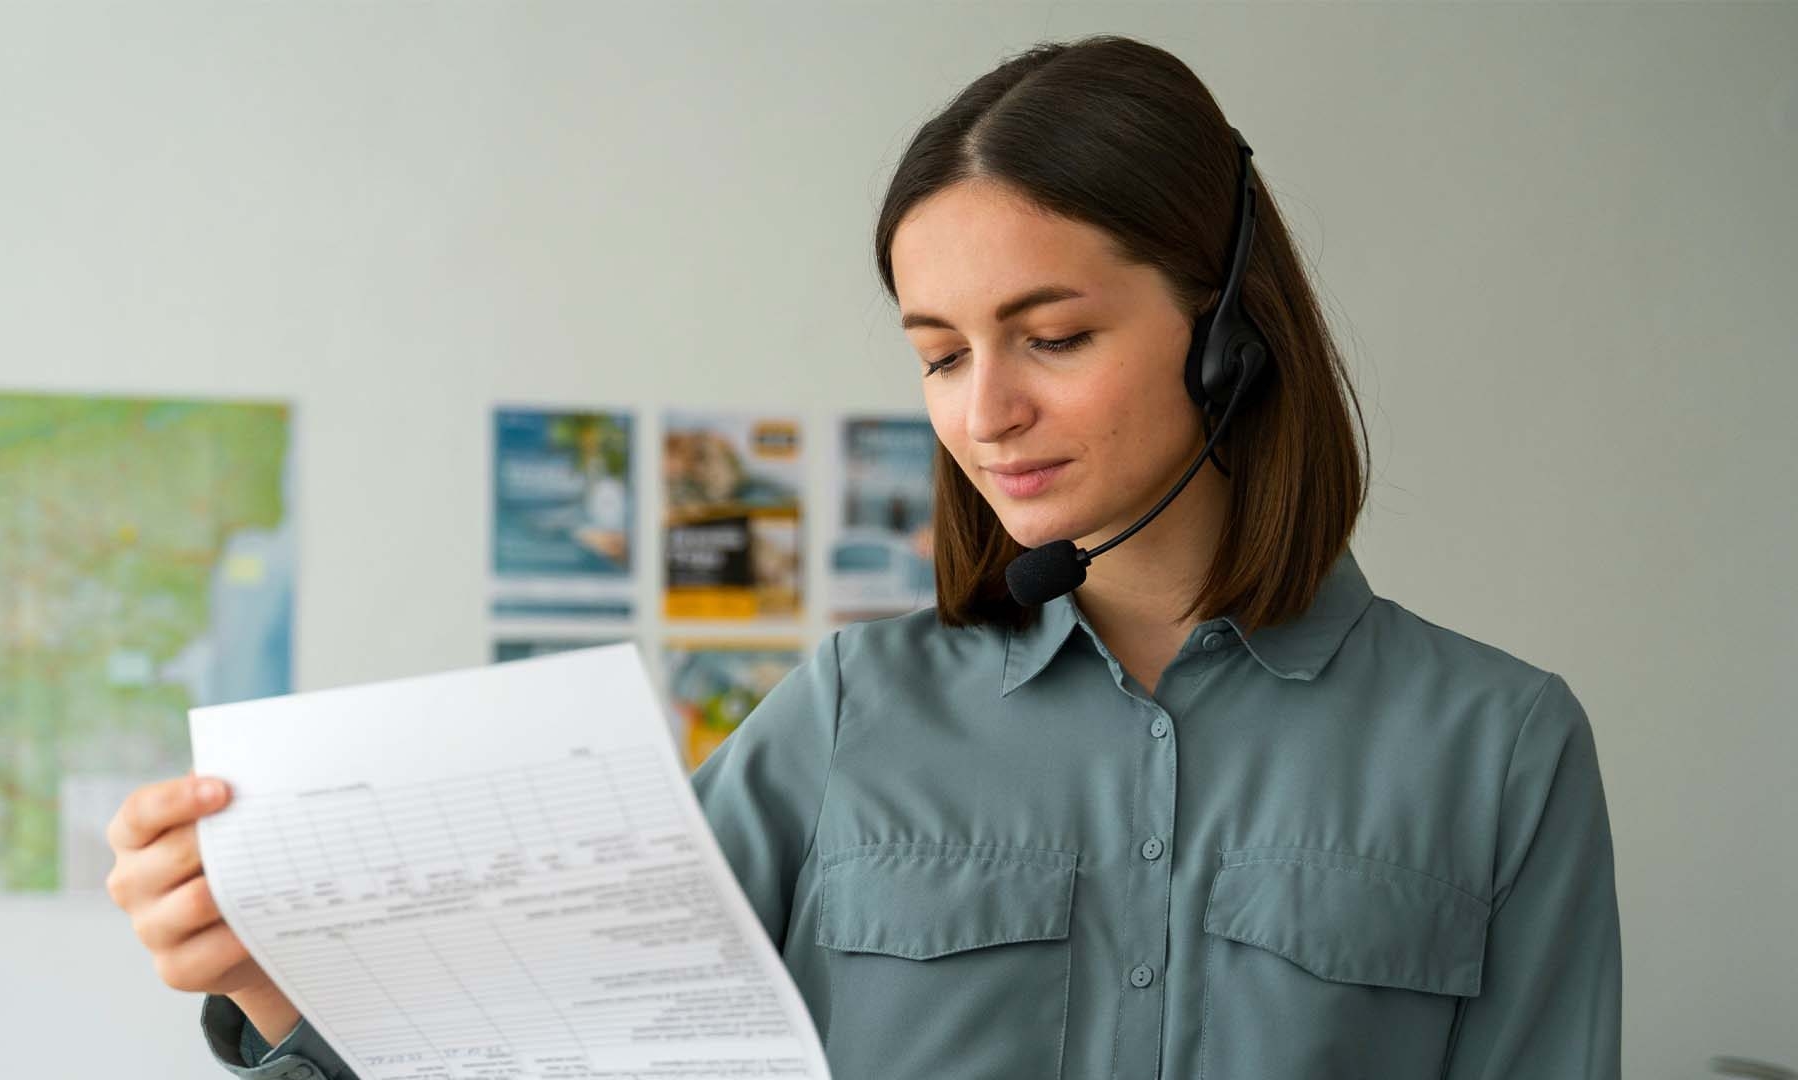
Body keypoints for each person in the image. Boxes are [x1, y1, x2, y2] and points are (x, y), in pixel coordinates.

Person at [104, 33, 1620, 1080]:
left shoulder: (1500, 747)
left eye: (1054, 337)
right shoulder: (846, 716)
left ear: (1229, 335)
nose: (986, 412)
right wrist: (278, 980)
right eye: (940, 354)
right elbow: (564, 1051)